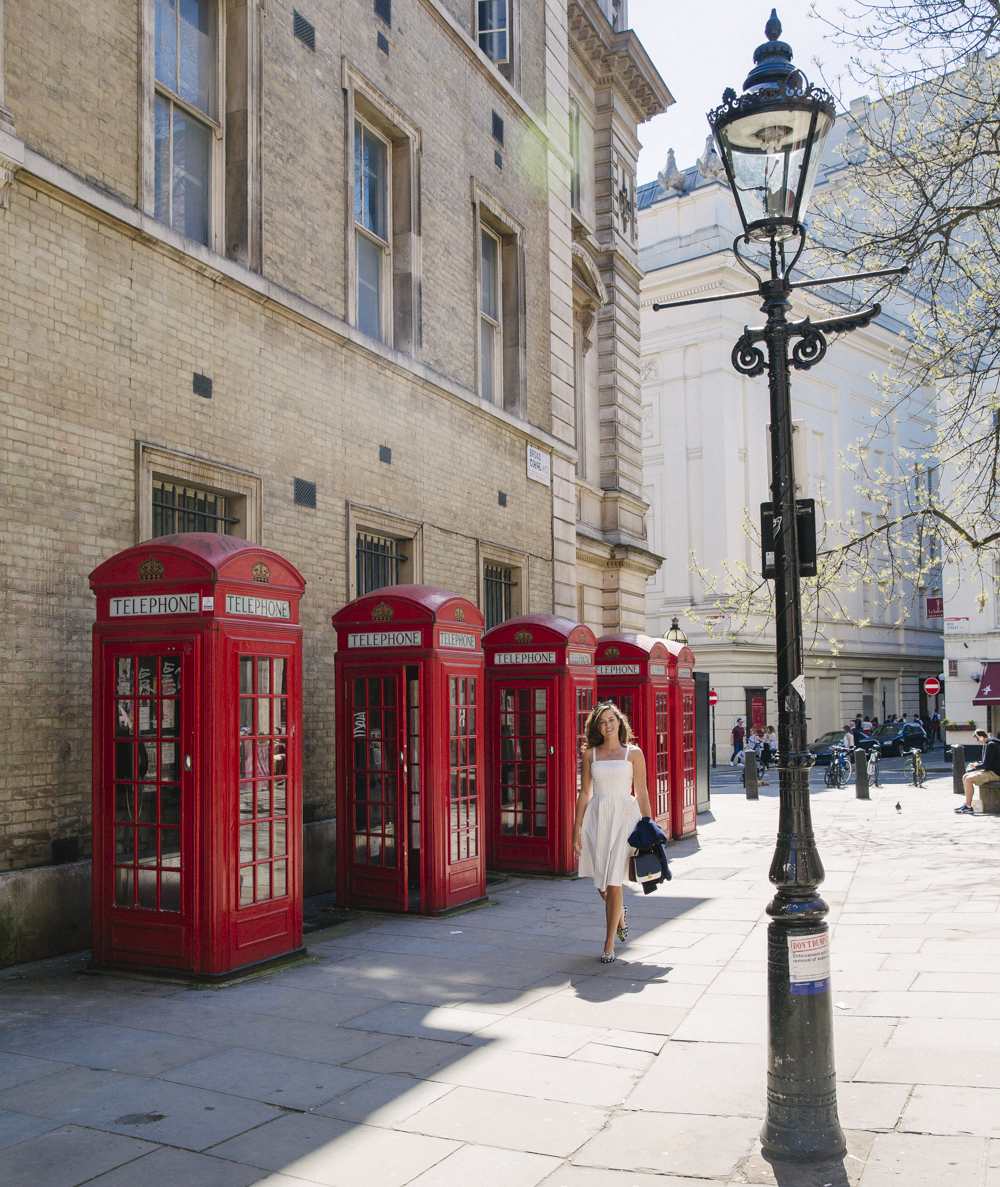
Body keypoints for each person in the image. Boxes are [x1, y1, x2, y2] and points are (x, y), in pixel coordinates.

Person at [574, 702, 653, 963]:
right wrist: (576, 828)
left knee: (614, 879)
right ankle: (619, 913)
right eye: (602, 722)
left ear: (620, 722)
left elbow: (641, 792)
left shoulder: (634, 753)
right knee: (601, 881)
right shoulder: (591, 755)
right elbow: (585, 793)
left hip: (625, 818)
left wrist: (648, 825)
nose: (607, 725)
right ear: (596, 727)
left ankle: (608, 943)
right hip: (597, 817)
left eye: (611, 720)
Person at [955, 729, 1000, 815]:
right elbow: (988, 762)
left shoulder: (991, 745)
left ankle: (968, 807)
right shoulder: (990, 743)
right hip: (992, 770)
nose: (977, 741)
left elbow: (987, 765)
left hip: (996, 773)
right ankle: (967, 804)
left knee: (968, 779)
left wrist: (975, 766)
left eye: (977, 739)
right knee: (965, 776)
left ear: (981, 737)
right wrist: (978, 764)